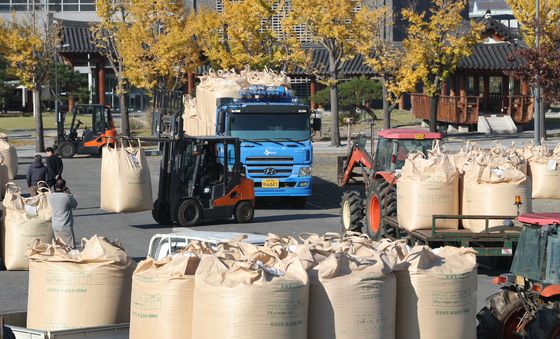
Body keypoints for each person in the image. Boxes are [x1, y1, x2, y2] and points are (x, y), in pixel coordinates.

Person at [47, 179, 78, 249]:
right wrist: (69, 193)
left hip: (55, 225)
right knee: (70, 247)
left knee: (59, 247)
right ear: (64, 187)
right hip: (65, 226)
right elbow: (75, 205)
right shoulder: (66, 197)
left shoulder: (50, 196)